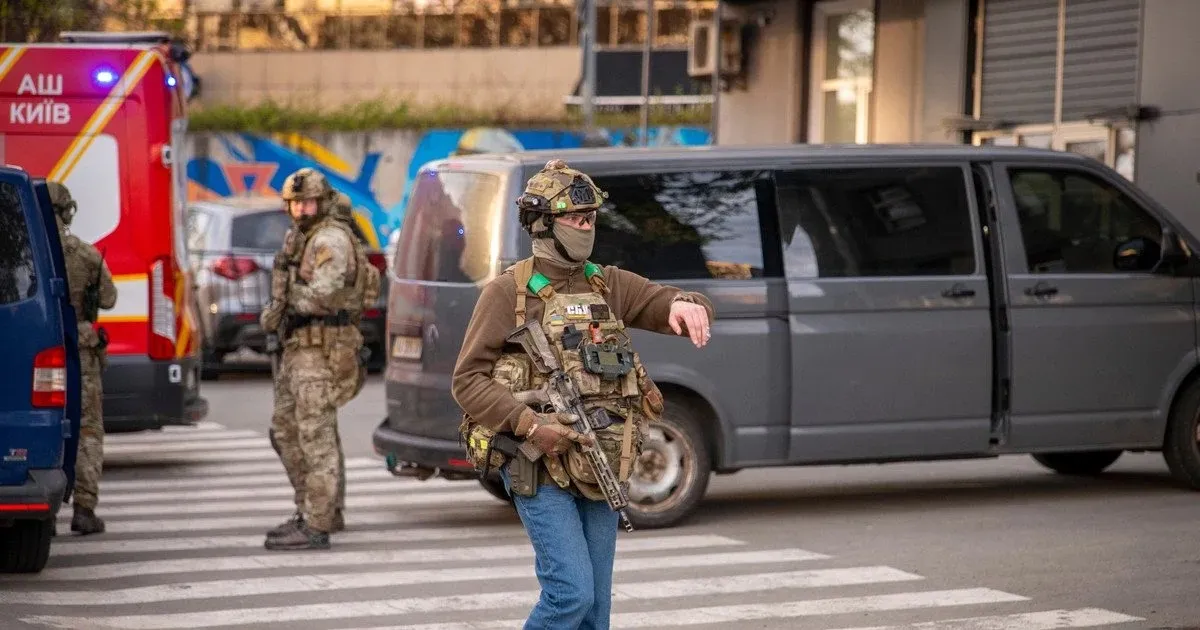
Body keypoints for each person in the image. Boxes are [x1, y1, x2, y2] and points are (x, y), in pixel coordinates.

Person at [451, 159, 714, 629]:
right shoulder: (507, 293)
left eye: (591, 218)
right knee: (570, 595)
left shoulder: (604, 282)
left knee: (597, 611)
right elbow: (468, 380)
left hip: (599, 458)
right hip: (535, 460)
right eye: (576, 218)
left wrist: (684, 304)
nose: (587, 227)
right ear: (543, 224)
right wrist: (531, 425)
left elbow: (661, 300)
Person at [260, 168, 372, 551]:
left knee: (314, 436)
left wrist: (285, 302)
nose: (301, 210)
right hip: (300, 349)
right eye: (295, 203)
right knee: (286, 431)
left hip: (321, 349)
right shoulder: (303, 238)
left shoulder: (329, 239)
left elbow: (324, 294)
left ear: (322, 203)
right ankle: (317, 509)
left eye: (307, 202)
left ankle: (316, 522)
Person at [49, 182, 117, 535]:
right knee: (88, 431)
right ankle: (84, 510)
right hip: (82, 354)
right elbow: (108, 299)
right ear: (67, 211)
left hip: (37, 352)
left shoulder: (27, 249)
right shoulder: (86, 254)